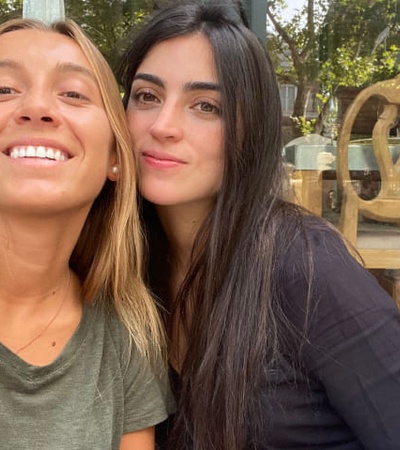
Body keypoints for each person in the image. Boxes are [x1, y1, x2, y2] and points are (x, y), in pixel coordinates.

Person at [119, 1, 400, 449]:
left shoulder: (306, 267)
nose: (163, 125)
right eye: (147, 96)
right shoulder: (125, 268)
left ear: (249, 130)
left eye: (206, 106)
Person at [0, 17, 173, 450]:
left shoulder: (127, 336)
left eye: (73, 94)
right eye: (3, 89)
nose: (36, 107)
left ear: (116, 157)